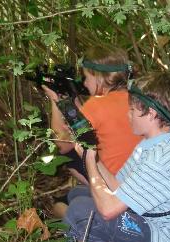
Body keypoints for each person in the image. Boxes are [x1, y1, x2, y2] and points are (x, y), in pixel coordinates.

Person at [64, 72, 170, 242]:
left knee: (81, 211)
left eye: (132, 110)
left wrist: (89, 162)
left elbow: (107, 210)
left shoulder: (162, 158)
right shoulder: (152, 143)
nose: (128, 115)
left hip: (163, 239)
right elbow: (117, 185)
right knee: (78, 194)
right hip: (149, 219)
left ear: (151, 114)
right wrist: (93, 156)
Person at [42, 45, 142, 185]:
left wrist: (55, 100)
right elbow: (90, 124)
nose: (85, 83)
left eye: (86, 77)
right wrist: (73, 100)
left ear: (99, 77)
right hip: (140, 176)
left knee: (70, 154)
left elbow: (62, 145)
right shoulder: (138, 98)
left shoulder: (97, 104)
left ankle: (98, 194)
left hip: (115, 181)